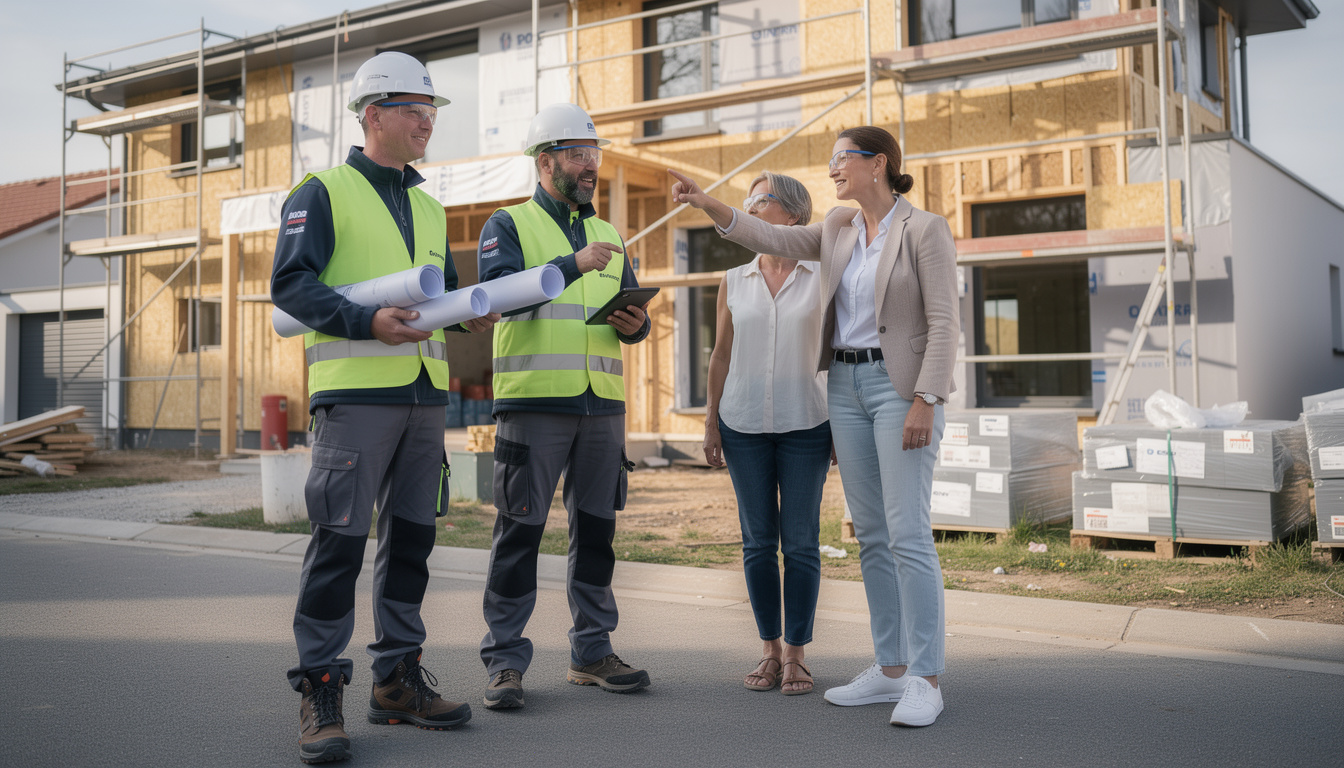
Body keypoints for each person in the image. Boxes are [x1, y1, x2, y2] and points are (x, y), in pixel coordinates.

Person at [670, 125, 959, 727]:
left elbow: (944, 321)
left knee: (907, 532)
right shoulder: (838, 228)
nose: (832, 169)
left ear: (878, 163)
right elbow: (769, 235)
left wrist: (926, 398)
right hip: (846, 388)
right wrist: (706, 203)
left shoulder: (924, 228)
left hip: (898, 387)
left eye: (841, 158)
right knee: (871, 534)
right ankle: (891, 668)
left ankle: (926, 678)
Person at [271, 51, 499, 764]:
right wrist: (366, 322)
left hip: (424, 399)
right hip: (355, 397)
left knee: (411, 544)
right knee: (339, 545)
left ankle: (397, 680)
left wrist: (469, 313)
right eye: (414, 110)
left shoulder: (430, 205)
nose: (427, 121)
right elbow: (291, 285)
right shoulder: (322, 192)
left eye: (431, 111)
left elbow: (439, 297)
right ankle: (320, 691)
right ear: (373, 116)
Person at [475, 103, 652, 711]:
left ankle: (592, 652)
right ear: (545, 161)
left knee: (597, 534)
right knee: (519, 532)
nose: (589, 166)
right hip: (533, 402)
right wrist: (569, 266)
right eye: (577, 155)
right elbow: (498, 297)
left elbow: (629, 314)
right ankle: (504, 661)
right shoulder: (508, 224)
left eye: (593, 154)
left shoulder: (611, 235)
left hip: (602, 404)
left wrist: (635, 324)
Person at [701, 172, 831, 696]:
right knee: (757, 544)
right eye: (748, 200)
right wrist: (710, 420)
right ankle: (769, 650)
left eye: (762, 199)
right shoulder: (734, 279)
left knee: (800, 544)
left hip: (808, 424)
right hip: (743, 425)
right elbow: (721, 355)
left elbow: (840, 352)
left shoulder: (824, 275)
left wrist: (843, 424)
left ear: (794, 214)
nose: (751, 206)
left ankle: (797, 653)